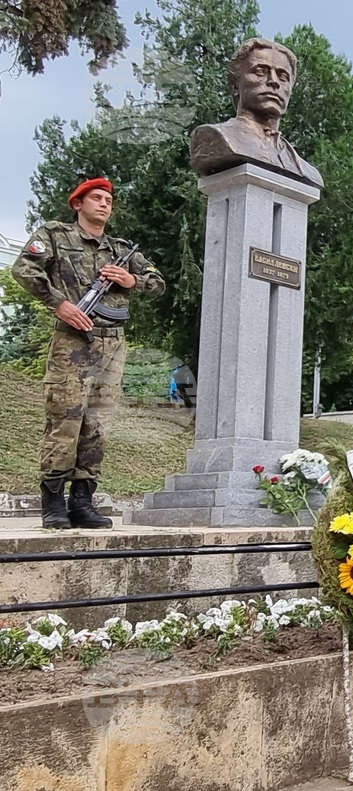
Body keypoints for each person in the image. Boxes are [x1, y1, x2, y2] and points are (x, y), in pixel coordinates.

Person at [12, 177, 166, 529]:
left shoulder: (120, 248)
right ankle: (52, 501)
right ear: (77, 203)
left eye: (108, 200)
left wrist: (132, 280)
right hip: (73, 342)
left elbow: (156, 282)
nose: (104, 204)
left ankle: (83, 500)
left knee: (97, 424)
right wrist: (60, 305)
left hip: (113, 343)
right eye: (96, 198)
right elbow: (24, 269)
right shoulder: (55, 234)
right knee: (64, 420)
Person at [190, 37, 323, 188]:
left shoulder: (303, 168)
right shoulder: (214, 138)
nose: (274, 81)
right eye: (260, 71)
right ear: (235, 85)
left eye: (283, 76)